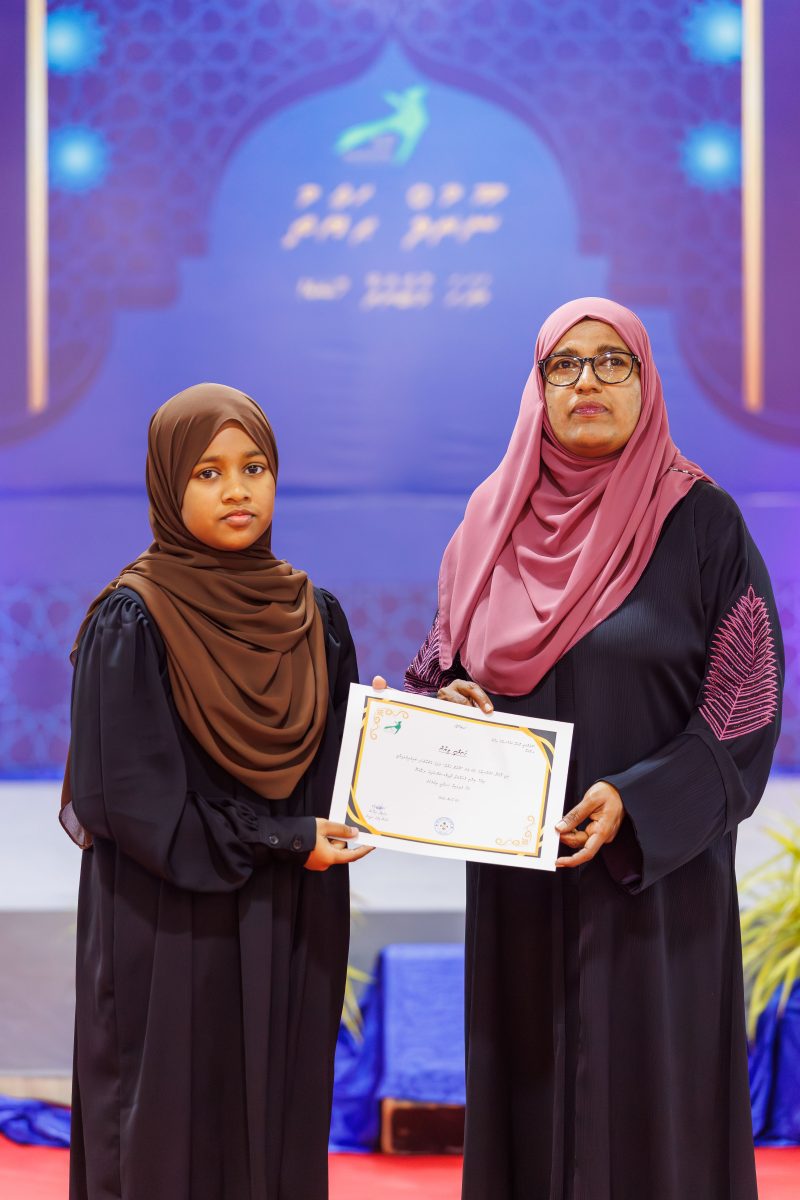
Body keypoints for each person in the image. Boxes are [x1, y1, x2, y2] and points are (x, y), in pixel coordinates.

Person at [397, 298, 784, 1200]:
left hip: (656, 890)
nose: (588, 382)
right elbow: (439, 670)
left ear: (646, 383)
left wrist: (638, 801)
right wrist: (443, 711)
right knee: (530, 1104)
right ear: (538, 388)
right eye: (564, 365)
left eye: (614, 361)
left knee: (654, 1111)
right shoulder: (486, 527)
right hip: (520, 891)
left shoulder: (703, 524)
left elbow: (746, 702)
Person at [61, 384, 370, 1200]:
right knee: (170, 1137)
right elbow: (128, 803)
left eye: (254, 467)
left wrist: (420, 737)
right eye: (208, 472)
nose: (237, 490)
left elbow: (340, 776)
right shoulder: (133, 619)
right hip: (170, 927)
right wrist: (282, 839)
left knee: (278, 1123)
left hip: (291, 920)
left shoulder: (317, 617)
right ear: (169, 484)